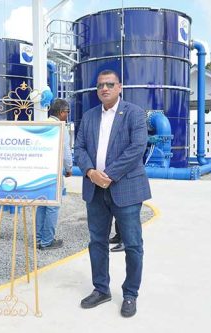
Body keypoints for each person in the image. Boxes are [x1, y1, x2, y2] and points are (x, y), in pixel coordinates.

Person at [74, 69, 151, 317]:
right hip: (94, 190)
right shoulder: (88, 117)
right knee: (97, 242)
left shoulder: (135, 114)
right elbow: (80, 148)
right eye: (100, 86)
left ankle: (130, 294)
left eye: (109, 84)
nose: (104, 89)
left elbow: (137, 148)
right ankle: (101, 289)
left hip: (126, 188)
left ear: (120, 87)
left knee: (132, 244)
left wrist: (108, 175)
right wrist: (90, 172)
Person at [35, 99, 73, 250]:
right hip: (53, 172)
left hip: (40, 171)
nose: (67, 115)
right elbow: (65, 152)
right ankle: (47, 241)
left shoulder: (42, 124)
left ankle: (38, 239)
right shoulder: (60, 127)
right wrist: (69, 168)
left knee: (42, 205)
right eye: (67, 112)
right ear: (61, 112)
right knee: (53, 207)